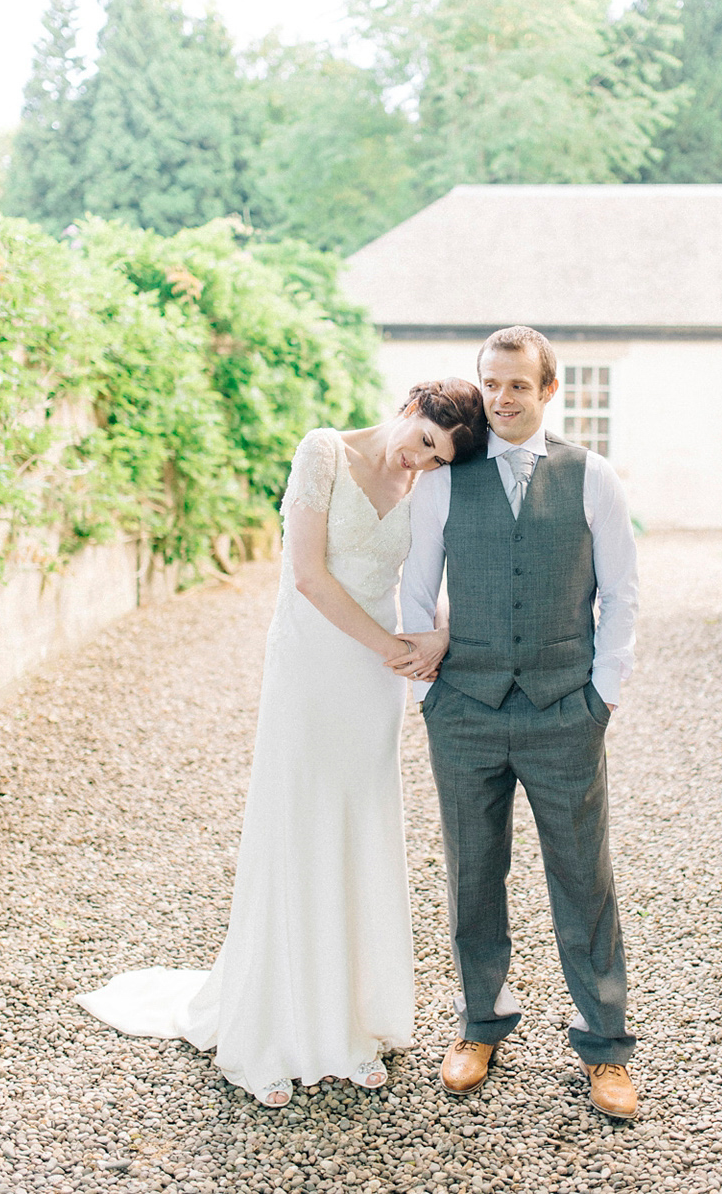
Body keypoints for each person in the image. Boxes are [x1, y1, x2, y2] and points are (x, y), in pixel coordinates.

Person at [77, 379, 488, 1107]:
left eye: (439, 460)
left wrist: (438, 638)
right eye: (425, 441)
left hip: (372, 685)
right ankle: (281, 1023)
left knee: (359, 824)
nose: (424, 462)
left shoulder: (425, 488)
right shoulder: (323, 452)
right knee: (299, 821)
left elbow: (436, 578)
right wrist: (392, 649)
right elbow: (305, 575)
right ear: (410, 407)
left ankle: (349, 1021)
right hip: (314, 660)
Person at [394, 326, 640, 1118]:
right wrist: (427, 688)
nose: (501, 398)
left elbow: (622, 595)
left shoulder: (590, 476)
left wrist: (601, 695)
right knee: (471, 875)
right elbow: (414, 584)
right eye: (491, 384)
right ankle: (479, 1023)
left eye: (518, 386)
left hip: (565, 709)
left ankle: (604, 1046)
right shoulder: (443, 480)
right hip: (463, 709)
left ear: (547, 391)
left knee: (582, 878)